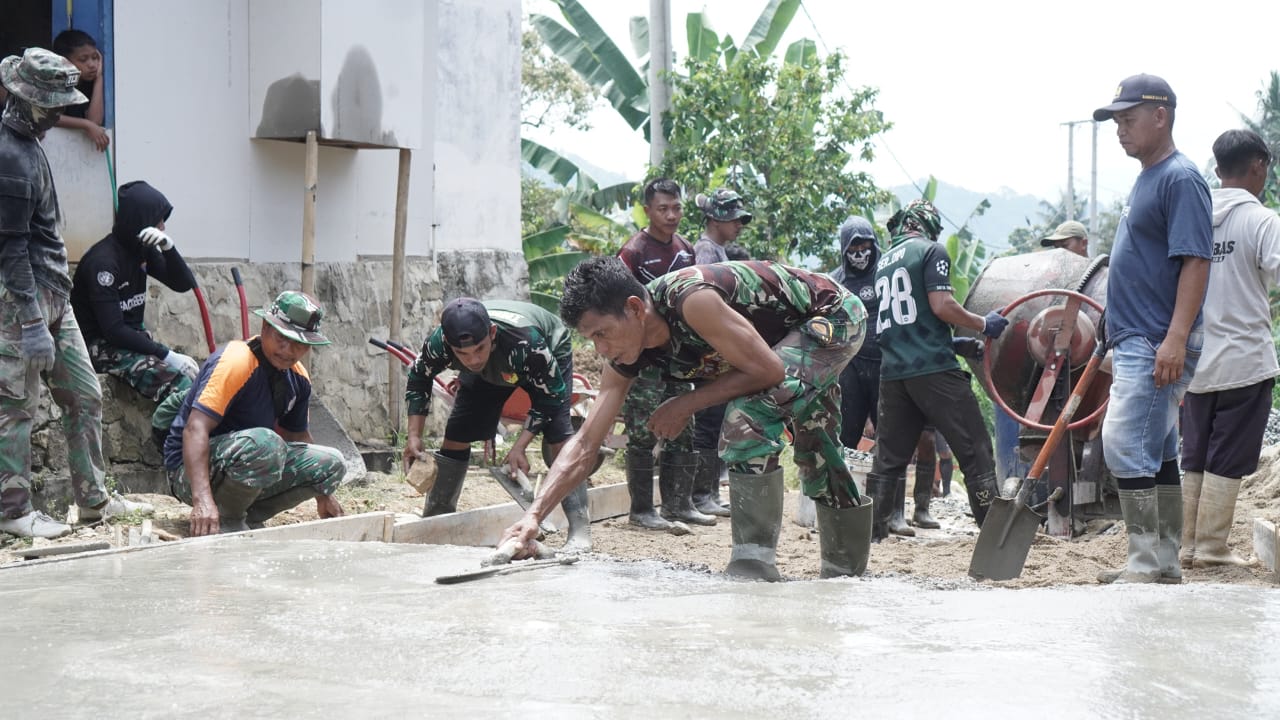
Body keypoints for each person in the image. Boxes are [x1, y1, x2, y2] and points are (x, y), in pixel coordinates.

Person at [499, 256, 872, 582]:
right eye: (590, 338)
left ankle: (753, 568)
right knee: (817, 446)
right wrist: (532, 517)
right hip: (782, 344)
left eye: (602, 333)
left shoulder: (693, 301)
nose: (601, 348)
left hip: (832, 317)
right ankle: (846, 572)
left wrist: (686, 404)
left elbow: (768, 370)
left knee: (747, 417)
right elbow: (585, 443)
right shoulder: (625, 352)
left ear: (634, 307)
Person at [0, 48, 151, 539]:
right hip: (22, 301)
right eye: (50, 107)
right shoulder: (11, 158)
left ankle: (93, 499)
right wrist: (28, 320)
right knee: (16, 408)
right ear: (26, 102)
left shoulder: (31, 141)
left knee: (84, 396)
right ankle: (14, 511)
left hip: (55, 298)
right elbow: (11, 248)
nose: (56, 115)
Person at [1092, 74, 1212, 584]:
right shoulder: (1148, 177)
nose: (1120, 129)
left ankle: (1144, 563)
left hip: (1157, 337)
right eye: (1116, 121)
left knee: (1122, 441)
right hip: (1138, 333)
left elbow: (1196, 261)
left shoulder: (1180, 178)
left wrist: (1176, 338)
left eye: (1128, 119)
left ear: (1160, 116)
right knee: (1157, 446)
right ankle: (1163, 564)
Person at [401, 297, 591, 552]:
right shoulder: (439, 344)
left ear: (491, 333)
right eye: (462, 354)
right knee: (458, 431)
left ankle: (580, 530)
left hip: (547, 349)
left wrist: (520, 446)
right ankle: (438, 517)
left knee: (559, 435)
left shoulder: (527, 343)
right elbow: (418, 377)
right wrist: (414, 436)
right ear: (449, 344)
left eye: (479, 348)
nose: (472, 360)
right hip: (499, 365)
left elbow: (550, 396)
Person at [866, 200, 1007, 541]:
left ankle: (868, 537)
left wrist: (955, 343)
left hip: (894, 374)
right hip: (932, 370)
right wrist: (982, 324)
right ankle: (995, 536)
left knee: (888, 459)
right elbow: (941, 305)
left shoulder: (884, 262)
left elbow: (908, 322)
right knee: (976, 450)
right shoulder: (931, 252)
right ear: (927, 225)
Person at [163, 291, 346, 536]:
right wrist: (202, 500)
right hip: (188, 471)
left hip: (248, 462)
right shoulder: (236, 360)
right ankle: (228, 518)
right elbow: (195, 428)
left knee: (331, 463)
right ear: (266, 327)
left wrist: (324, 494)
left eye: (299, 344)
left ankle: (246, 514)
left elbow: (299, 438)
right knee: (267, 443)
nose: (288, 350)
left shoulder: (298, 377)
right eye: (283, 338)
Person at [1180, 129, 1279, 568]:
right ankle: (1212, 548)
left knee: (1195, 453)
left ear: (1217, 171)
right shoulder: (1262, 222)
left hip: (1193, 361)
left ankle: (1186, 546)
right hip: (1244, 359)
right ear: (1259, 166)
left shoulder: (1193, 218)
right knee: (1228, 456)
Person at [71, 180, 200, 448]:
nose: (162, 226)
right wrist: (166, 354)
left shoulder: (141, 250)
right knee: (178, 382)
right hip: (99, 347)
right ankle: (168, 446)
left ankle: (188, 443)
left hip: (130, 339)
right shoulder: (104, 263)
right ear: (140, 221)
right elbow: (113, 330)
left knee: (196, 376)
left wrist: (168, 248)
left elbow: (183, 283)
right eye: (158, 221)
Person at [615, 177, 713, 529]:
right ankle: (641, 510)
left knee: (684, 426)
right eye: (663, 209)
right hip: (645, 360)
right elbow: (618, 310)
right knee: (642, 430)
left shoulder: (685, 248)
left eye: (676, 208)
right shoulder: (633, 252)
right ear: (647, 211)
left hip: (682, 356)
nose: (671, 215)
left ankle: (679, 504)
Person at [688, 188, 754, 517]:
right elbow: (705, 302)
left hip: (718, 349)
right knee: (708, 423)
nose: (739, 225)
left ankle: (709, 492)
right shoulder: (705, 252)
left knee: (714, 424)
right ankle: (702, 494)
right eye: (734, 219)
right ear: (716, 219)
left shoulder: (719, 251)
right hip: (708, 351)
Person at [829, 216, 881, 455]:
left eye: (865, 248)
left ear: (874, 245)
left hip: (884, 364)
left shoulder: (886, 273)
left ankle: (884, 491)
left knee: (888, 434)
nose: (860, 254)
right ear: (844, 249)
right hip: (849, 365)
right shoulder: (835, 281)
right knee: (846, 432)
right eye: (854, 249)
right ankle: (840, 489)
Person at [51, 29, 108, 152]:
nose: (92, 65)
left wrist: (99, 78)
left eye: (95, 58)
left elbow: (95, 121)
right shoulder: (55, 83)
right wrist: (85, 125)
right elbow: (49, 116)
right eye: (83, 59)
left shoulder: (88, 85)